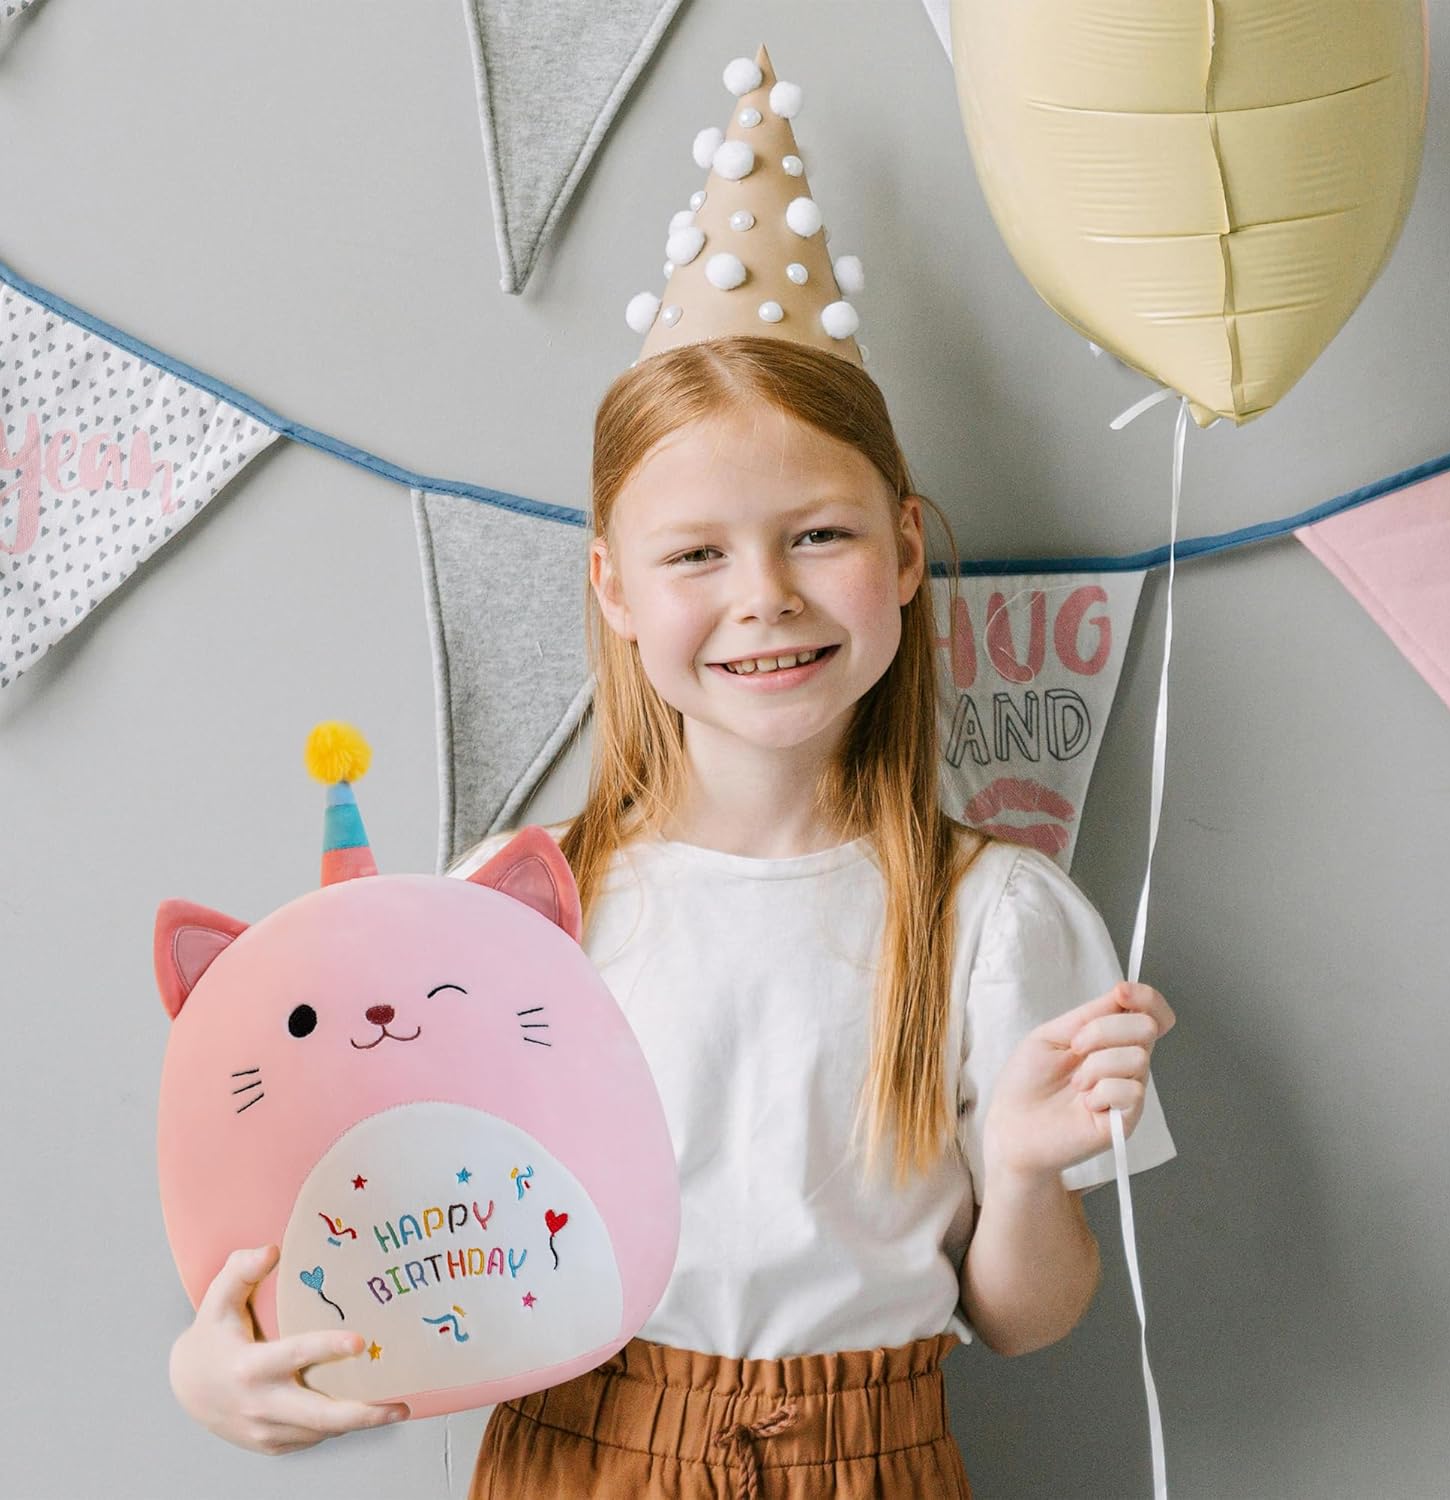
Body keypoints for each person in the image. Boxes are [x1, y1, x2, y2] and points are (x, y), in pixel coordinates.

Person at [168, 43, 1178, 1497]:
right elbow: (383, 1234)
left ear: (904, 550)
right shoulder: (513, 906)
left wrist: (1020, 1167)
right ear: (615, 590)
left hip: (869, 1456)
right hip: (577, 1448)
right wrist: (220, 1367)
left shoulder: (995, 917)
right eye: (697, 554)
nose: (764, 597)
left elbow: (1026, 1319)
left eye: (817, 536)